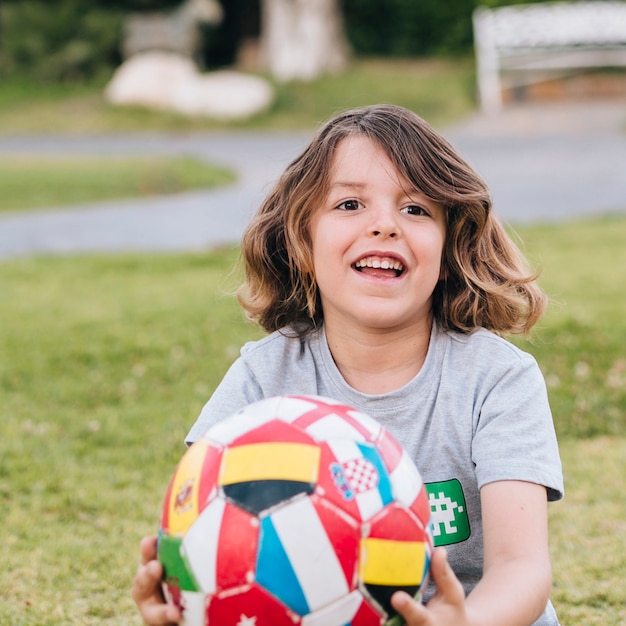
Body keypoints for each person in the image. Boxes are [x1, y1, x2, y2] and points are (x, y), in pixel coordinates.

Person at [132, 104, 563, 626]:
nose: (384, 225)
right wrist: (187, 596)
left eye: (417, 209)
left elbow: (521, 569)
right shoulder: (263, 380)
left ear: (449, 245)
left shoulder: (497, 380)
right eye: (351, 203)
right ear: (302, 241)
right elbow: (201, 517)